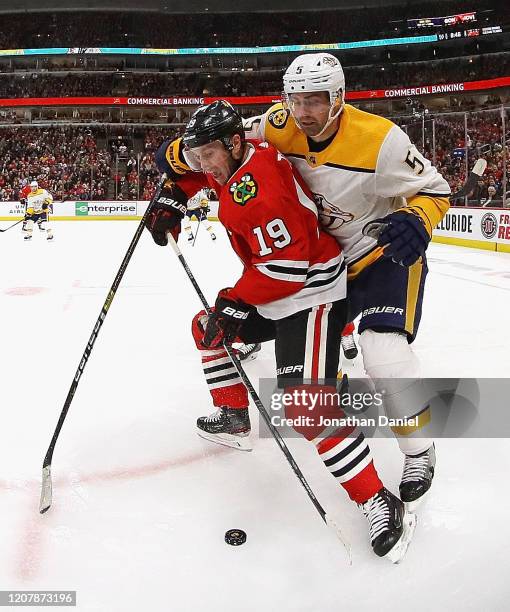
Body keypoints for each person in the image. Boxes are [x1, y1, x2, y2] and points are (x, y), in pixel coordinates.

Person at [146, 100, 416, 562]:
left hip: (309, 292)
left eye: (206, 153)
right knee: (208, 329)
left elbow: (287, 270)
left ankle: (376, 499)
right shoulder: (232, 159)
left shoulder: (262, 186)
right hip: (275, 283)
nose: (202, 163)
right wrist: (174, 190)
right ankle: (233, 418)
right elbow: (202, 173)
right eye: (196, 154)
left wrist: (237, 298)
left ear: (234, 143)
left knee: (306, 407)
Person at [241, 52, 451, 511]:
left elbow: (435, 190)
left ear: (339, 97)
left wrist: (416, 218)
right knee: (317, 374)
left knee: (385, 354)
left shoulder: (380, 140)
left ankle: (419, 450)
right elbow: (230, 139)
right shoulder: (280, 124)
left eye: (315, 100)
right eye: (295, 100)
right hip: (322, 266)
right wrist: (178, 165)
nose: (304, 112)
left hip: (381, 257)